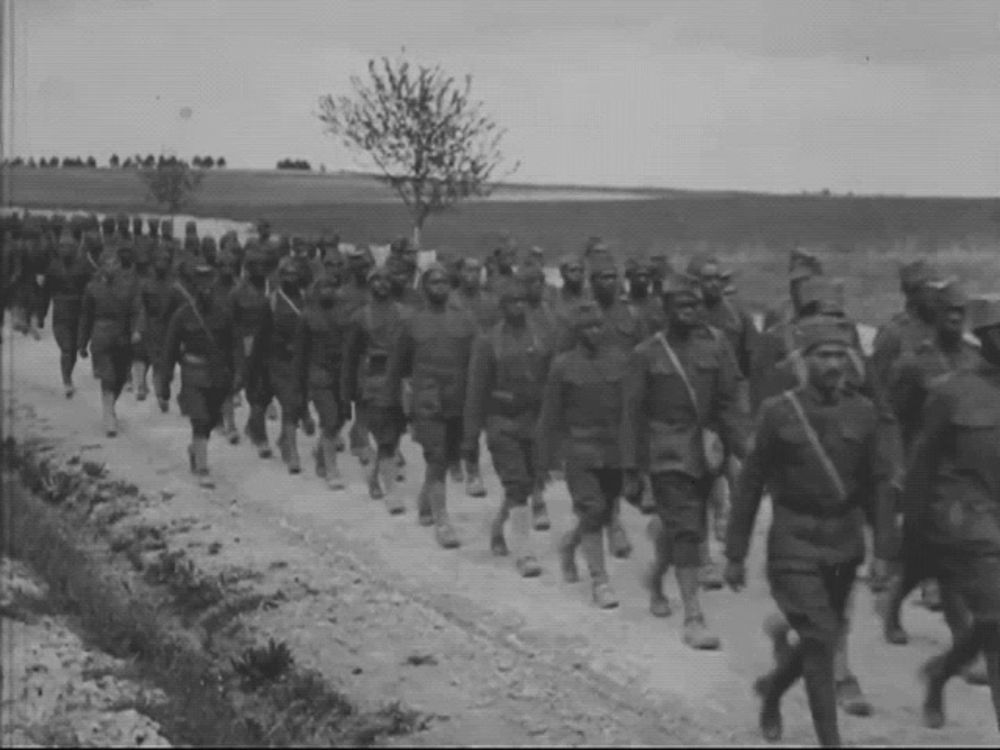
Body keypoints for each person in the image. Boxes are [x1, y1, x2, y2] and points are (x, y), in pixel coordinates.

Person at [725, 315, 890, 747]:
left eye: (840, 354)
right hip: (793, 542)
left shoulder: (864, 413)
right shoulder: (779, 413)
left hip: (845, 542)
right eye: (823, 355)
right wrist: (735, 552)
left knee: (825, 636)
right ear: (803, 361)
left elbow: (876, 487)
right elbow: (750, 484)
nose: (834, 363)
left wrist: (884, 551)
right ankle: (830, 741)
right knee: (820, 638)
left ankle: (774, 690)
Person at [622, 273, 747, 650]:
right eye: (682, 306)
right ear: (667, 309)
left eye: (695, 305)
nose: (690, 312)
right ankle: (693, 616)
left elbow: (729, 402)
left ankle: (658, 576)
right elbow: (632, 415)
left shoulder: (717, 345)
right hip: (667, 454)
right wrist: (631, 469)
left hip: (706, 451)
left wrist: (742, 451)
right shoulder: (647, 354)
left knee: (689, 529)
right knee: (689, 529)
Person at [901, 297, 1000, 732]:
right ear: (986, 339)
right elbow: (921, 467)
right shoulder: (953, 392)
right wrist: (912, 536)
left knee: (992, 624)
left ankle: (941, 672)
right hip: (971, 524)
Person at [882, 280, 987, 684]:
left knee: (935, 556)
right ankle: (963, 643)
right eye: (949, 311)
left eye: (962, 312)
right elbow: (892, 419)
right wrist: (897, 469)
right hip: (929, 474)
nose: (956, 318)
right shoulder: (915, 364)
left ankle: (892, 602)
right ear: (935, 314)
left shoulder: (978, 360)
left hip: (972, 473)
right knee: (951, 561)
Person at [537, 301, 627, 609]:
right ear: (577, 331)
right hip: (579, 449)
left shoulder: (619, 361)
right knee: (591, 509)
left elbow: (630, 409)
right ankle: (600, 580)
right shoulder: (563, 365)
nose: (594, 332)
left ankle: (569, 545)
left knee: (603, 512)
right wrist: (546, 459)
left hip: (612, 449)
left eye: (599, 326)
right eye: (588, 327)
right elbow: (550, 415)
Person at [464, 277, 554, 577]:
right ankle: (524, 551)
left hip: (532, 420)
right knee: (516, 483)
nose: (518, 307)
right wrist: (470, 439)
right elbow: (476, 393)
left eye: (522, 302)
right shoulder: (488, 342)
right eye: (512, 302)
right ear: (501, 307)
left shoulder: (541, 337)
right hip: (501, 421)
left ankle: (499, 526)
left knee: (528, 484)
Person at [383, 263, 478, 549]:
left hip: (457, 401)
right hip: (427, 402)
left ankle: (426, 504)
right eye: (434, 282)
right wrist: (392, 406)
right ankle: (443, 521)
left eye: (445, 282)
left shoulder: (466, 321)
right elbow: (396, 368)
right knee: (435, 458)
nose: (440, 287)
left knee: (450, 458)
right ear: (425, 287)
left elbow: (478, 364)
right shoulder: (411, 322)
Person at [157, 264, 243, 489]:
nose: (205, 289)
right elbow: (169, 350)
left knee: (211, 420)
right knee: (199, 418)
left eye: (209, 283)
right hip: (193, 374)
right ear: (194, 287)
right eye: (201, 284)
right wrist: (163, 386)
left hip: (218, 376)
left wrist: (239, 374)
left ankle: (196, 449)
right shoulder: (182, 315)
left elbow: (235, 346)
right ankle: (203, 468)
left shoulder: (224, 314)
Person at [587, 252, 647, 560]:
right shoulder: (583, 314)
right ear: (592, 282)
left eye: (613, 277)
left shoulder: (633, 315)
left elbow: (645, 355)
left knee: (625, 461)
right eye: (603, 278)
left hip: (627, 401)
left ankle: (619, 510)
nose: (610, 283)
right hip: (594, 403)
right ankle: (613, 523)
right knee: (603, 466)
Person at [341, 265, 408, 508]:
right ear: (369, 285)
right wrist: (347, 391)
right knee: (384, 433)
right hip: (374, 378)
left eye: (386, 279)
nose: (381, 284)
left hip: (399, 377)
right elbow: (350, 356)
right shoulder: (361, 317)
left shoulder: (405, 314)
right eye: (376, 280)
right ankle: (392, 492)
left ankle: (374, 475)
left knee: (396, 431)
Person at [249, 257, 308, 474]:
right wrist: (254, 366)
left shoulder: (305, 299)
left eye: (294, 274)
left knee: (293, 403)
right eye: (286, 275)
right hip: (273, 359)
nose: (291, 279)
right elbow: (260, 335)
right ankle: (265, 437)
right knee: (262, 401)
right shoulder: (271, 301)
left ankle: (287, 444)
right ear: (280, 277)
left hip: (297, 360)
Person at [293, 274, 351, 491]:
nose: (328, 291)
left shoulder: (343, 314)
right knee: (329, 418)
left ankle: (321, 455)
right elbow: (300, 353)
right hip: (318, 374)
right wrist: (300, 386)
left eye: (332, 287)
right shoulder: (307, 316)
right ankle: (331, 469)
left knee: (342, 418)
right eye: (323, 287)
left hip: (340, 374)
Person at [449, 256, 500, 497]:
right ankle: (459, 461)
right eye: (468, 269)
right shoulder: (450, 301)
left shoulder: (491, 302)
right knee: (456, 420)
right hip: (455, 366)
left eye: (477, 269)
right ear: (459, 272)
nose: (473, 274)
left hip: (483, 368)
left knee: (475, 422)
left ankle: (473, 469)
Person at [77, 248, 142, 437]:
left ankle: (110, 407)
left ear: (120, 266)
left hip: (123, 337)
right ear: (101, 266)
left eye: (114, 264)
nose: (110, 267)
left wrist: (136, 330)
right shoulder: (92, 288)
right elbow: (85, 317)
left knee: (121, 377)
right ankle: (108, 417)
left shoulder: (129, 286)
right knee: (108, 376)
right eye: (106, 264)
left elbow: (136, 310)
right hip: (101, 335)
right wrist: (82, 343)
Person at [231, 243, 275, 457]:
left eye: (264, 266)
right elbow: (231, 322)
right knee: (254, 390)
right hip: (246, 344)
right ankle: (259, 435)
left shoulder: (274, 288)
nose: (260, 270)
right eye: (256, 266)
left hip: (271, 344)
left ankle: (252, 425)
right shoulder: (239, 292)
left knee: (267, 391)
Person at [45, 235, 92, 397]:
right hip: (60, 315)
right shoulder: (53, 267)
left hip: (78, 314)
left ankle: (68, 376)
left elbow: (92, 288)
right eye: (62, 247)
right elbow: (45, 292)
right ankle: (66, 381)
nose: (65, 250)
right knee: (66, 348)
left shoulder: (83, 266)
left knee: (74, 350)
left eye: (68, 247)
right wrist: (40, 313)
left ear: (75, 249)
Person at [136, 247, 177, 412]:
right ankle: (153, 390)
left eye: (165, 261)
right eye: (158, 261)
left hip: (169, 328)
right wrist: (140, 328)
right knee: (149, 359)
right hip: (151, 327)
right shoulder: (146, 285)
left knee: (165, 364)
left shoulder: (175, 286)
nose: (161, 265)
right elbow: (142, 307)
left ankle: (160, 390)